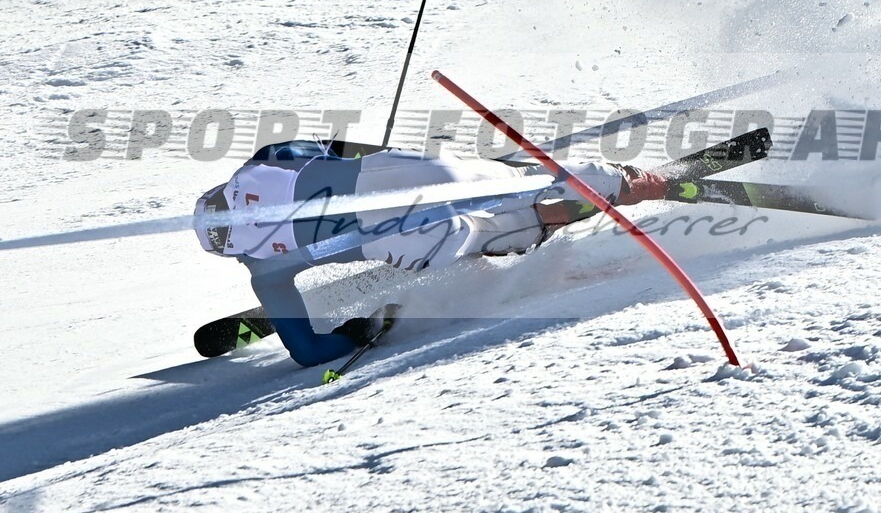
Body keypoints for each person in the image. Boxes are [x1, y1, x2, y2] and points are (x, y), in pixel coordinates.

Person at [193, 139, 668, 367]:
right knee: (517, 183)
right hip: (405, 172)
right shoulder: (266, 160)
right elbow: (333, 147)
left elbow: (309, 353)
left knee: (488, 232)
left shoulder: (263, 270)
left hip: (407, 239)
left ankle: (548, 217)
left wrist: (361, 329)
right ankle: (620, 181)